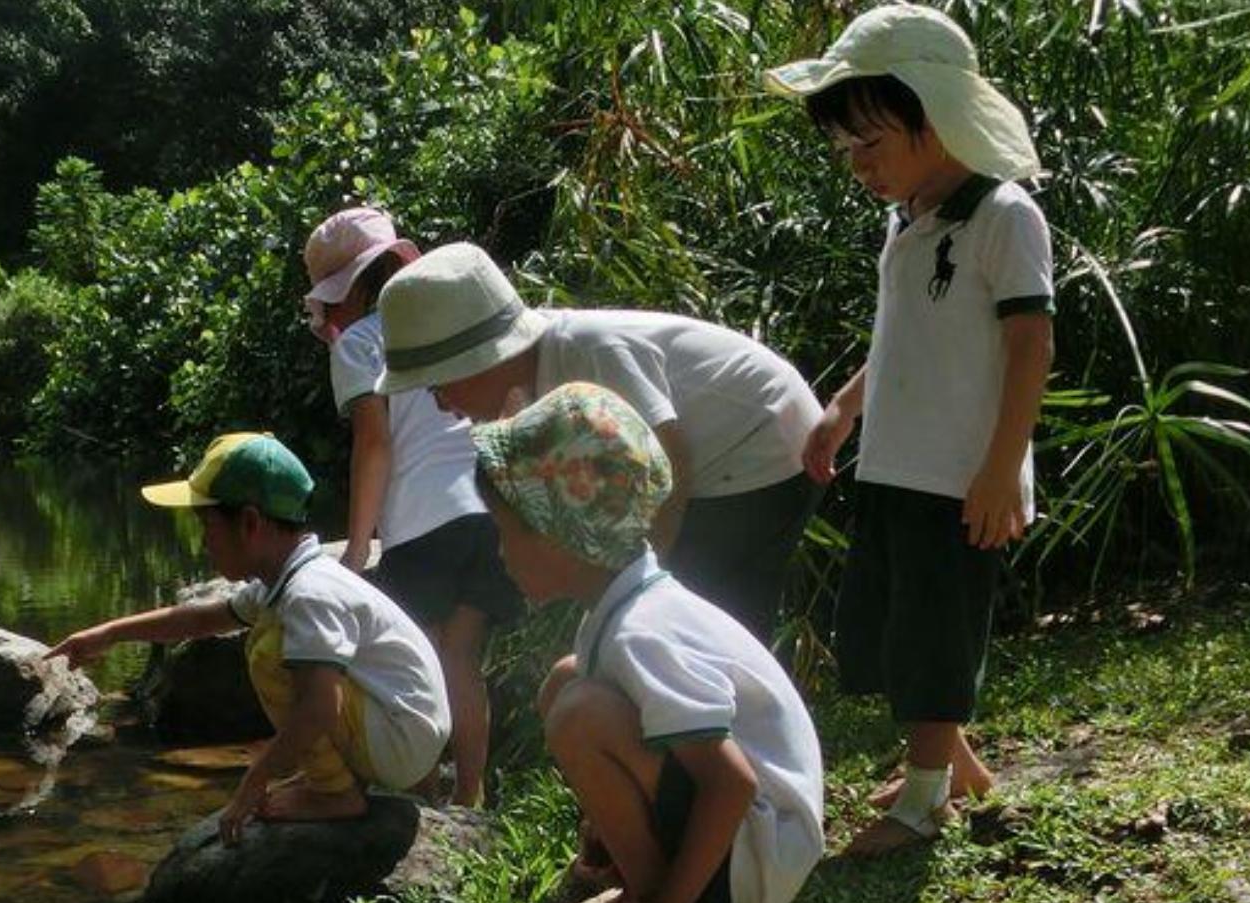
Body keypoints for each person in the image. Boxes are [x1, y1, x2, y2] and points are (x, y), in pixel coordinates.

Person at [765, 2, 1057, 855]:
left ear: (933, 120)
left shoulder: (1002, 215)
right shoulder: (908, 221)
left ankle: (924, 800)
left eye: (872, 146)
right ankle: (952, 763)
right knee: (893, 627)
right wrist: (846, 406)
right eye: (846, 151)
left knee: (936, 633)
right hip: (899, 464)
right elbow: (902, 341)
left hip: (960, 473)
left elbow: (1031, 342)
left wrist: (1002, 469)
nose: (858, 166)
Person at [476, 382, 824, 903]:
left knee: (579, 712)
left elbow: (731, 784)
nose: (500, 555)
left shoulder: (643, 631)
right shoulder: (622, 608)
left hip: (763, 847)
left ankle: (658, 895)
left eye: (507, 534)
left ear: (562, 534)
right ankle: (645, 876)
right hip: (750, 834)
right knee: (567, 682)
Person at [374, 242, 824, 645]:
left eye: (438, 387)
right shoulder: (531, 390)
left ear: (477, 364)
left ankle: (724, 723)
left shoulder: (587, 351)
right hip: (713, 458)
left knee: (707, 615)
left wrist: (632, 595)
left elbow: (667, 467)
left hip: (761, 439)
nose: (441, 405)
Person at [45, 432, 451, 840]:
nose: (203, 541)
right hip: (405, 735)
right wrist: (109, 633)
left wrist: (254, 779)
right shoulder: (290, 578)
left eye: (207, 525)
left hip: (401, 741)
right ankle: (339, 782)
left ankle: (336, 794)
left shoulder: (309, 593)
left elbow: (321, 705)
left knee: (267, 650)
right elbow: (201, 621)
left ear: (251, 523)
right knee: (275, 640)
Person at [300, 207, 523, 806]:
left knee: (419, 668)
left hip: (422, 525)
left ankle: (426, 797)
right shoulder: (439, 322)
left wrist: (354, 549)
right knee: (462, 660)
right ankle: (471, 798)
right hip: (491, 511)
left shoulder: (358, 345)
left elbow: (375, 444)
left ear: (342, 296)